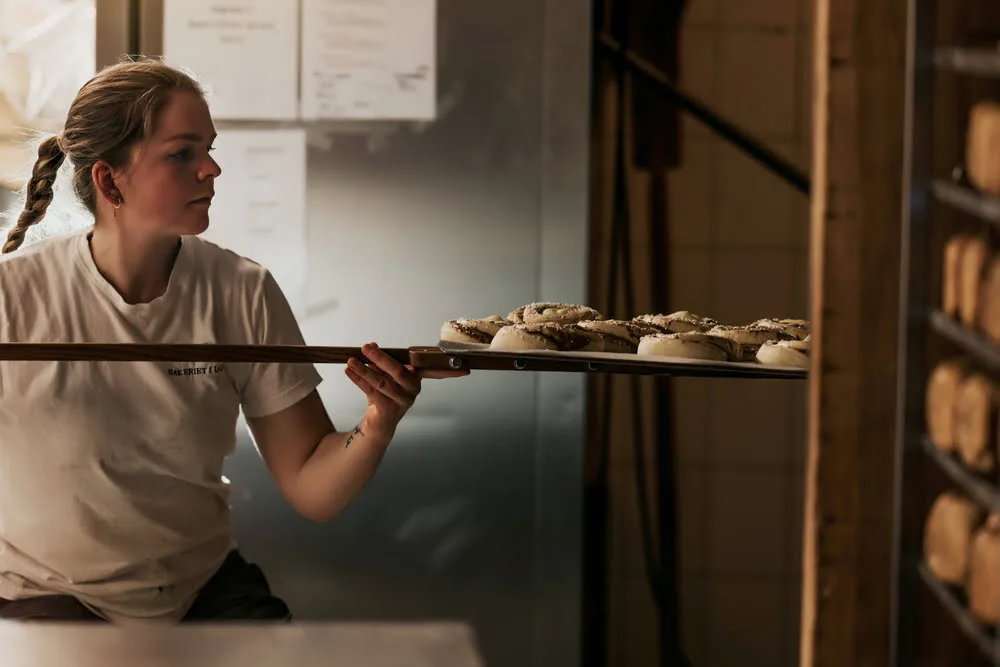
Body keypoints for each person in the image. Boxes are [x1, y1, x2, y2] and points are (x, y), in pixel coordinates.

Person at [0, 56, 467, 623]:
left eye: (209, 149)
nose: (211, 171)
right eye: (182, 154)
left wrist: (377, 423)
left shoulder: (241, 289)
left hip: (203, 592)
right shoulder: (12, 295)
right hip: (49, 600)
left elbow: (311, 486)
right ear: (108, 179)